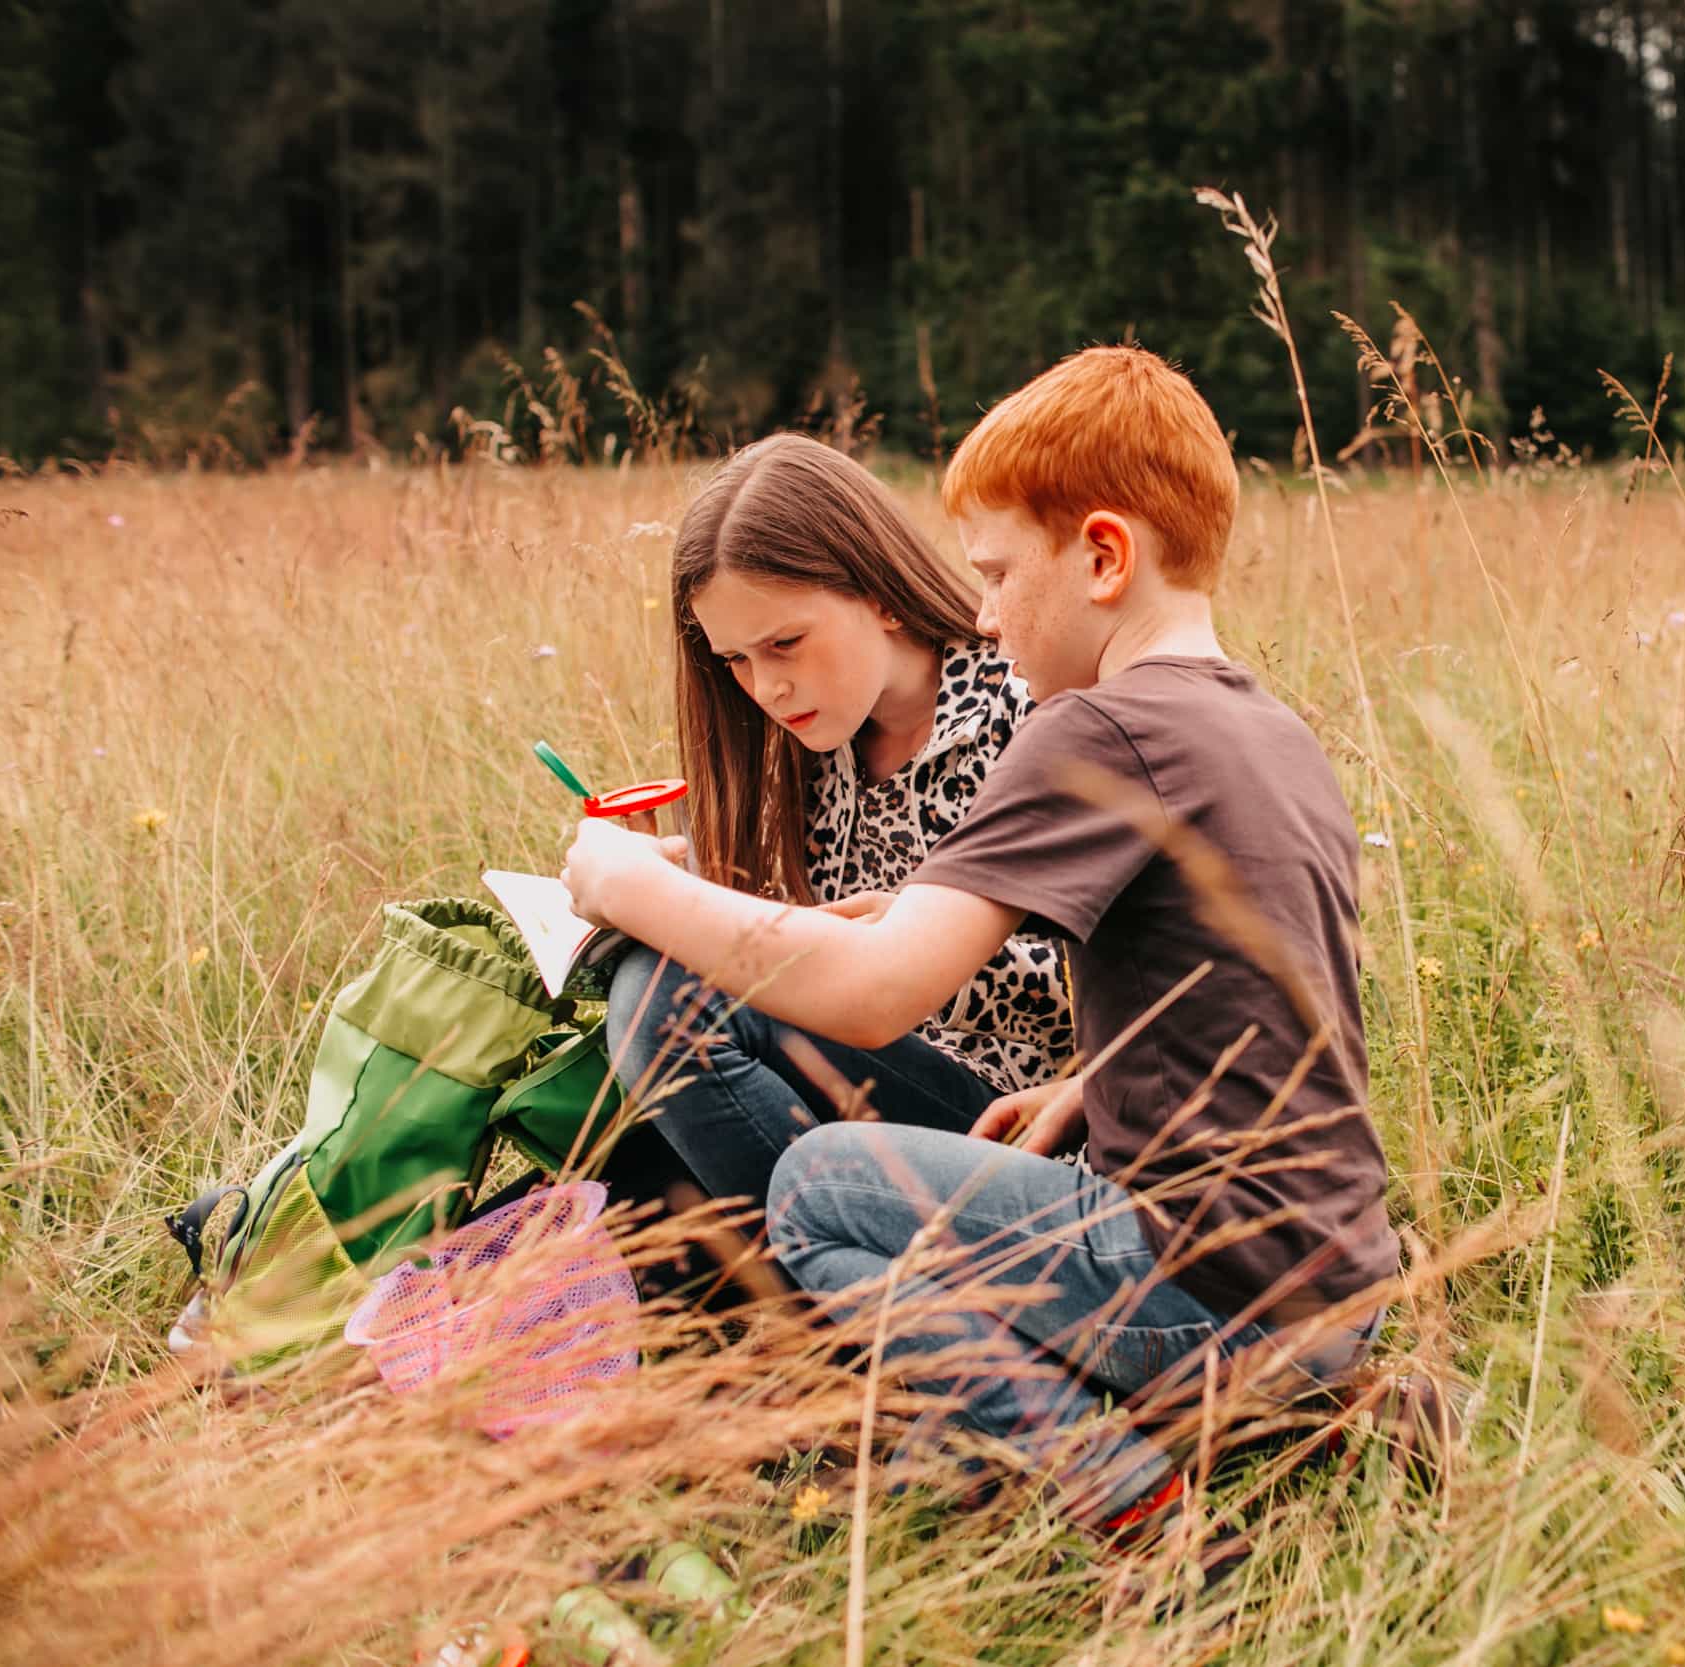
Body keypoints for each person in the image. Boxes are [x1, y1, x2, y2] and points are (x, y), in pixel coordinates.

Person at [562, 350, 1399, 1551]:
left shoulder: (1090, 727)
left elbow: (874, 993)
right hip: (1334, 1283)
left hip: (1209, 1287)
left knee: (818, 1187)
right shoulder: (1262, 724)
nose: (988, 614)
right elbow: (1267, 998)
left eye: (1000, 574)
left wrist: (627, 881)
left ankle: (1134, 1500)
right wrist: (1091, 1086)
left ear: (1105, 558)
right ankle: (1293, 1420)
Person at [600, 433, 1072, 1249]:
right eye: (736, 660)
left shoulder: (1023, 709)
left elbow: (1107, 987)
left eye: (784, 643)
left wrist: (905, 957)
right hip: (853, 1099)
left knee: (664, 1000)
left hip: (1018, 1126)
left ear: (878, 594)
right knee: (592, 1211)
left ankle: (844, 1304)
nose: (767, 686)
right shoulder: (809, 753)